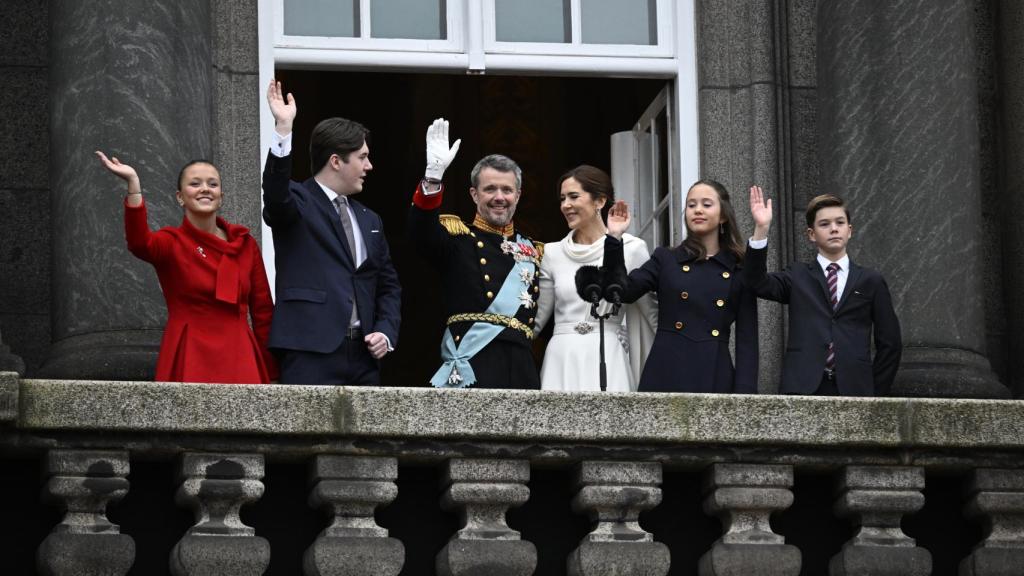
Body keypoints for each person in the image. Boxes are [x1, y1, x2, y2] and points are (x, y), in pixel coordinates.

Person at [262, 80, 401, 385]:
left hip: (364, 356)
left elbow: (388, 286)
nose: (370, 166)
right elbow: (275, 196)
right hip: (309, 350)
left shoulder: (370, 219)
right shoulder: (298, 201)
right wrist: (283, 129)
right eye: (363, 157)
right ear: (336, 161)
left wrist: (386, 332)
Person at [96, 151, 278, 384]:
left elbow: (263, 312)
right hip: (189, 351)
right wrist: (134, 184)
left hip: (240, 355)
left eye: (212, 184)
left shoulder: (245, 244)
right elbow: (139, 243)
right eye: (195, 184)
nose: (205, 189)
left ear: (221, 196)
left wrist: (272, 372)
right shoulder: (172, 241)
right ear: (180, 197)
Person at [408, 118, 543, 389]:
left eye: (507, 190)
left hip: (521, 366)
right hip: (475, 362)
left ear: (518, 195)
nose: (499, 197)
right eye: (489, 189)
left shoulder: (532, 250)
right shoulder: (458, 239)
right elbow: (420, 233)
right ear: (473, 194)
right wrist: (433, 176)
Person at [603, 180, 758, 393]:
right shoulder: (666, 259)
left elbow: (747, 340)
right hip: (666, 369)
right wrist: (614, 238)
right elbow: (623, 292)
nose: (698, 210)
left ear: (723, 215)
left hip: (714, 373)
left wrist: (746, 399)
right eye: (692, 205)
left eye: (706, 204)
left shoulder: (738, 269)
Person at [745, 187, 901, 396]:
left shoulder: (870, 280)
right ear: (811, 234)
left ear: (850, 230)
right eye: (824, 224)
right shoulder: (797, 275)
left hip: (856, 389)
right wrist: (761, 229)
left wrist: (875, 395)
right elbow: (757, 283)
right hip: (803, 388)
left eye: (840, 222)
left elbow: (890, 343)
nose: (834, 229)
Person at [534, 165, 656, 392]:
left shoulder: (631, 248)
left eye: (573, 196)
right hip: (562, 357)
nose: (565, 205)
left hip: (609, 354)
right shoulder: (552, 252)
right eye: (562, 199)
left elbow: (651, 313)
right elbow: (538, 319)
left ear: (599, 201)